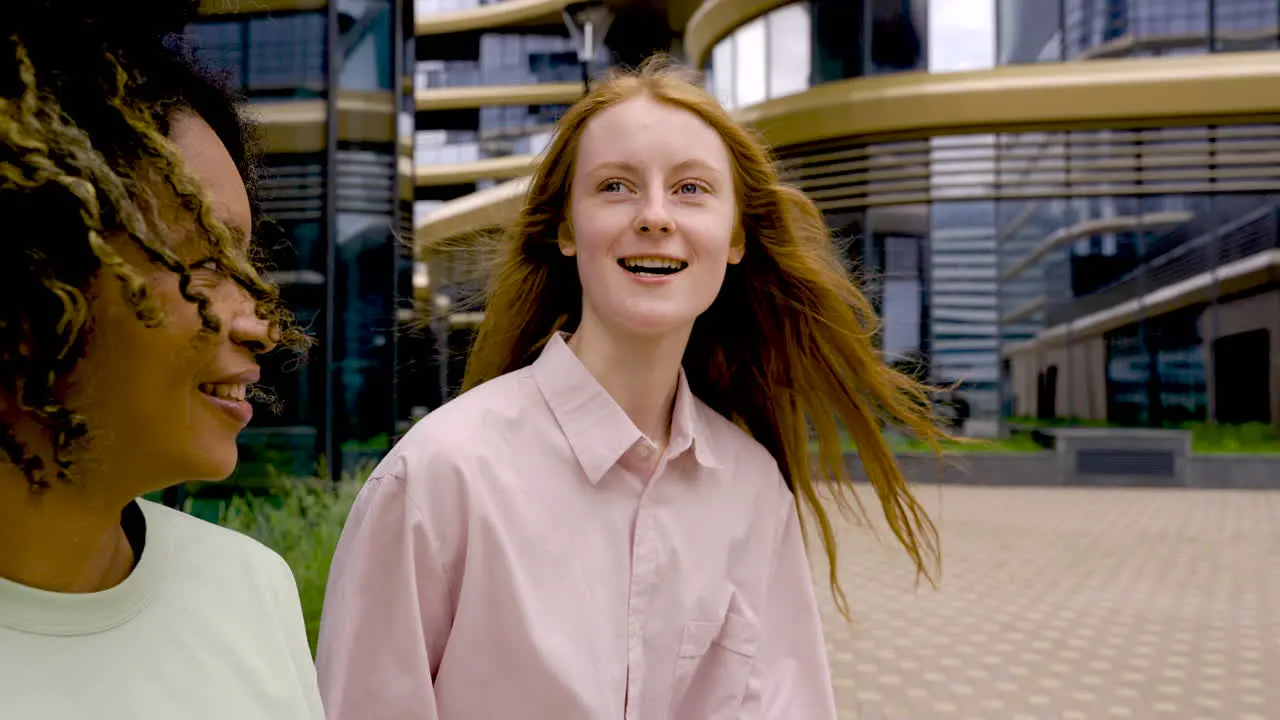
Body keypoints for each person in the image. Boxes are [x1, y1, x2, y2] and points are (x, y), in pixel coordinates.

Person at [317, 55, 946, 719]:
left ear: (734, 237)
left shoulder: (752, 491)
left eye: (692, 189)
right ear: (566, 227)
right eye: (615, 186)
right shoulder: (438, 479)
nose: (654, 215)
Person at [0, 2, 324, 718]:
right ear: (34, 279)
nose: (261, 325)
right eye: (204, 261)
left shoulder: (251, 590)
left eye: (247, 262)